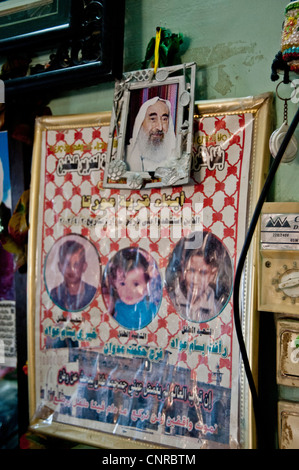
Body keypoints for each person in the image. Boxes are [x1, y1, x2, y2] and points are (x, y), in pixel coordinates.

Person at [166, 232, 233, 323]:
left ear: (212, 275)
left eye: (203, 273)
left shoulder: (218, 310)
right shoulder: (170, 301)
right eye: (191, 270)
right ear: (183, 270)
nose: (195, 280)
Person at [102, 247, 162, 329]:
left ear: (147, 284)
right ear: (114, 283)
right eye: (122, 283)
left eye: (136, 284)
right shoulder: (115, 307)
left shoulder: (153, 310)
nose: (128, 291)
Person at [126, 96, 177, 172]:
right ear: (140, 123)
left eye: (164, 119)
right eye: (153, 119)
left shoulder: (177, 157)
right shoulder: (126, 156)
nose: (159, 127)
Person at [49, 239, 97, 312]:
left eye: (76, 264)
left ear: (84, 266)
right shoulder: (55, 294)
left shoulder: (92, 293)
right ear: (60, 266)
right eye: (67, 264)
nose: (71, 269)